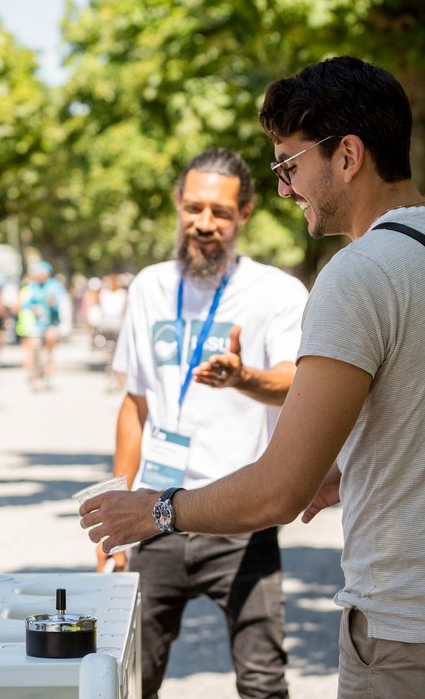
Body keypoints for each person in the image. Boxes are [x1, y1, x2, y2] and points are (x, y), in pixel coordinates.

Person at [80, 57, 425, 699]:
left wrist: (156, 511)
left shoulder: (357, 274)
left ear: (348, 156)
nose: (283, 188)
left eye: (289, 165)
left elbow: (277, 493)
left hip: (420, 633)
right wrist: (355, 469)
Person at [99, 147, 309, 699]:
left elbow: (298, 383)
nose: (204, 224)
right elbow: (135, 402)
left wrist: (244, 378)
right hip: (153, 514)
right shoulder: (149, 287)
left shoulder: (277, 292)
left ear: (245, 213)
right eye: (194, 208)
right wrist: (116, 514)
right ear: (178, 205)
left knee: (264, 682)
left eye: (219, 212)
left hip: (240, 512)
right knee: (127, 678)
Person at [15, 261, 66, 386]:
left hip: (51, 321)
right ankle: (34, 370)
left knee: (51, 337)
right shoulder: (33, 286)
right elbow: (26, 303)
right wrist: (34, 308)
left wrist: (53, 304)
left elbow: (60, 302)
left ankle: (49, 361)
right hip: (37, 323)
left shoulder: (55, 286)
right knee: (32, 345)